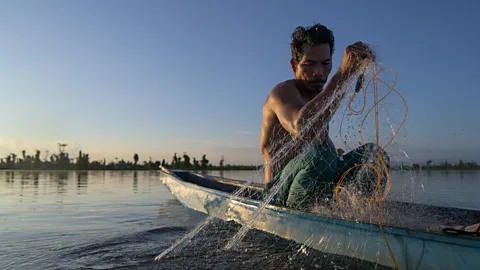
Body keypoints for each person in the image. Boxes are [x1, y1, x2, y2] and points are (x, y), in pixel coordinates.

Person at [260, 23, 388, 210]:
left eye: (326, 64)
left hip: (312, 179)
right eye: (309, 64)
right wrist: (344, 74)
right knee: (322, 157)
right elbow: (302, 127)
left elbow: (319, 144)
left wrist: (335, 156)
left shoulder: (320, 99)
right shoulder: (282, 93)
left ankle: (357, 213)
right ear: (294, 65)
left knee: (374, 155)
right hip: (277, 197)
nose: (319, 73)